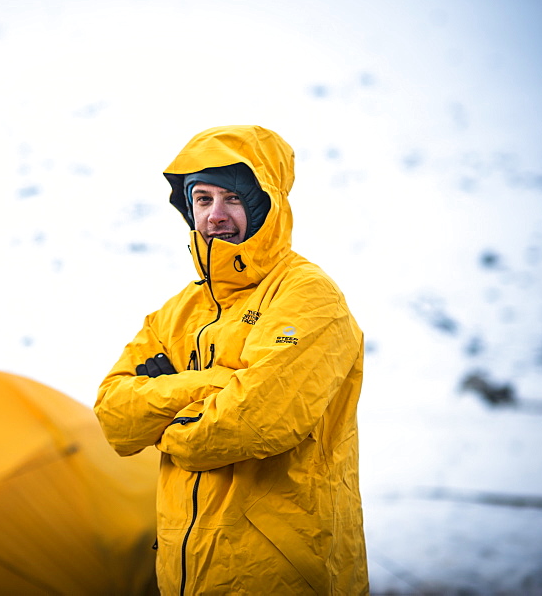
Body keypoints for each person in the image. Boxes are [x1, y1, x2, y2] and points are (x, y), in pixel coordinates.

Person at [94, 125, 367, 595]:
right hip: (185, 575)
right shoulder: (179, 310)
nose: (215, 216)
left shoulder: (307, 296)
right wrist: (214, 384)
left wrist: (162, 417)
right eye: (202, 199)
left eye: (233, 199)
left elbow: (253, 421)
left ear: (265, 203)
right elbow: (114, 416)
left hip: (280, 573)